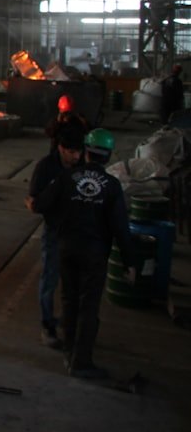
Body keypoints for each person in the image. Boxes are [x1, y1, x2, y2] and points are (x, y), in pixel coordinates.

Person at [35, 128, 137, 379]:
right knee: (88, 307)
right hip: (94, 253)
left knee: (69, 301)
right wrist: (130, 262)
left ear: (86, 152)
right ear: (108, 155)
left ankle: (69, 353)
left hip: (66, 249)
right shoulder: (112, 186)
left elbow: (40, 204)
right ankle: (81, 362)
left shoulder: (66, 178)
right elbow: (120, 227)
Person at [25, 125, 84, 348]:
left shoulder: (83, 166)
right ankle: (47, 325)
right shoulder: (46, 167)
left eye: (78, 151)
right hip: (55, 231)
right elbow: (34, 200)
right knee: (50, 278)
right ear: (60, 148)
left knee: (74, 280)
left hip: (78, 231)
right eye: (70, 152)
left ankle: (69, 321)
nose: (75, 156)